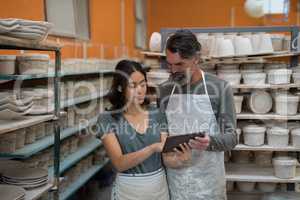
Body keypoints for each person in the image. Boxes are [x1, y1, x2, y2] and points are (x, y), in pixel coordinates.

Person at [158, 30, 237, 200]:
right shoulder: (165, 90)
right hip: (176, 178)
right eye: (169, 64)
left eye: (179, 65)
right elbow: (162, 136)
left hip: (208, 179)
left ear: (196, 58)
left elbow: (231, 138)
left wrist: (211, 141)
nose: (173, 71)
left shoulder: (220, 88)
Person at [95, 60, 170, 200]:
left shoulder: (157, 113)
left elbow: (166, 153)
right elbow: (119, 163)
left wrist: (182, 158)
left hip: (159, 187)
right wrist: (152, 148)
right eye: (133, 86)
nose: (140, 90)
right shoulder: (107, 119)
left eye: (143, 84)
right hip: (129, 189)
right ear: (119, 88)